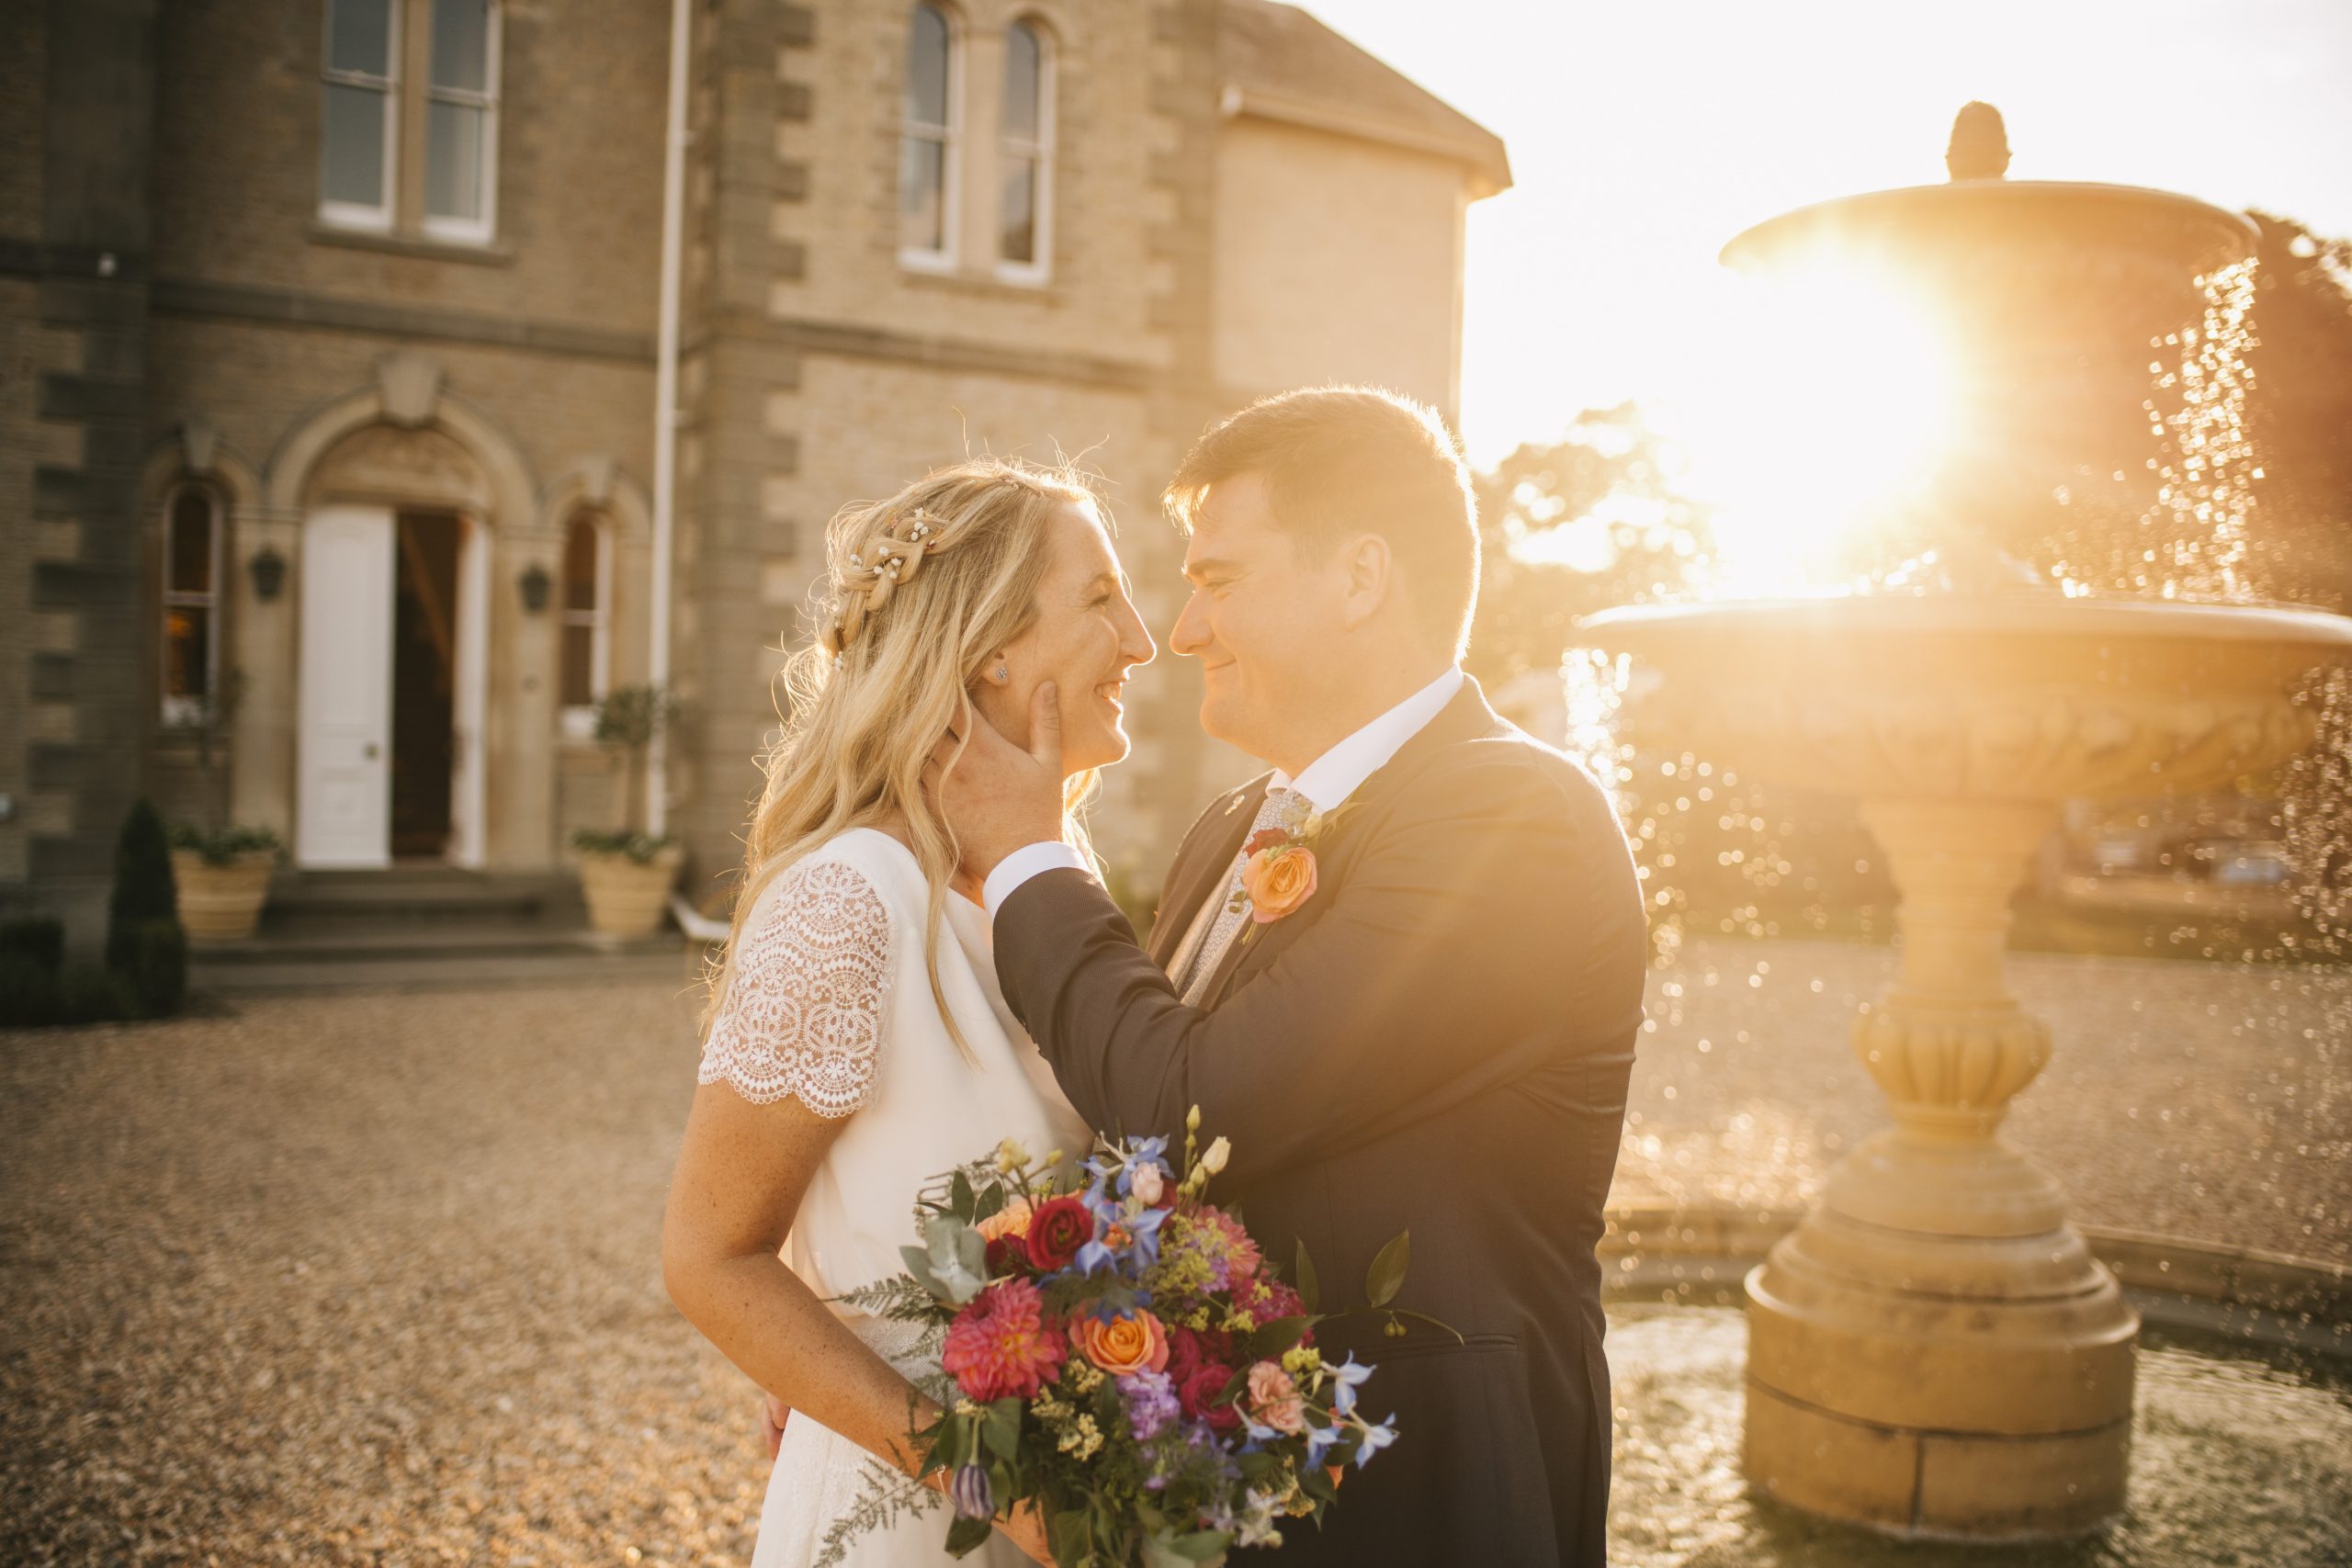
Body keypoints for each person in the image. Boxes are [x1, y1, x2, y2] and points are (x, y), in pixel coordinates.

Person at [934, 387, 1648, 1565]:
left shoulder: (1513, 820)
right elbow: (1128, 1140)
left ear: (1359, 577)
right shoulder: (1233, 824)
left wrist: (1026, 855)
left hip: (1420, 1494)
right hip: (1219, 1488)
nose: (1182, 628)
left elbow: (1185, 1107)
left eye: (1219, 580)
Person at [662, 457, 1155, 1567]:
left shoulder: (1049, 884)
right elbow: (709, 1257)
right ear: (988, 649)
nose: (1140, 639)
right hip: (914, 1522)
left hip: (1092, 1503)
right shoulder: (847, 900)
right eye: (1101, 599)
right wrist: (988, 1480)